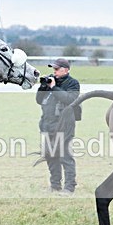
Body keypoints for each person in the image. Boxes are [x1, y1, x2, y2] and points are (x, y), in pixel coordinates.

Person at [36, 57, 80, 195]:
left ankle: (69, 187)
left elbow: (69, 99)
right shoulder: (50, 81)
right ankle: (55, 185)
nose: (54, 72)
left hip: (63, 125)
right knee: (50, 156)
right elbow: (39, 100)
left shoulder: (72, 83)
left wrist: (54, 87)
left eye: (56, 69)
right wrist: (43, 87)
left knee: (65, 157)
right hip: (47, 124)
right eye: (53, 69)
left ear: (66, 70)